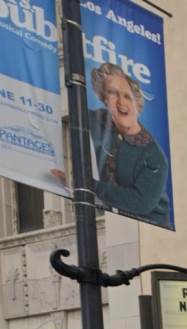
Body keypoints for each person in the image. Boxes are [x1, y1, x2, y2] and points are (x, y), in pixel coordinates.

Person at [52, 63, 170, 226]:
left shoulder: (153, 155)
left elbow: (141, 202)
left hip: (149, 227)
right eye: (113, 93)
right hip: (101, 216)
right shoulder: (93, 120)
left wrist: (87, 184)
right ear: (104, 99)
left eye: (127, 96)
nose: (121, 102)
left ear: (137, 104)